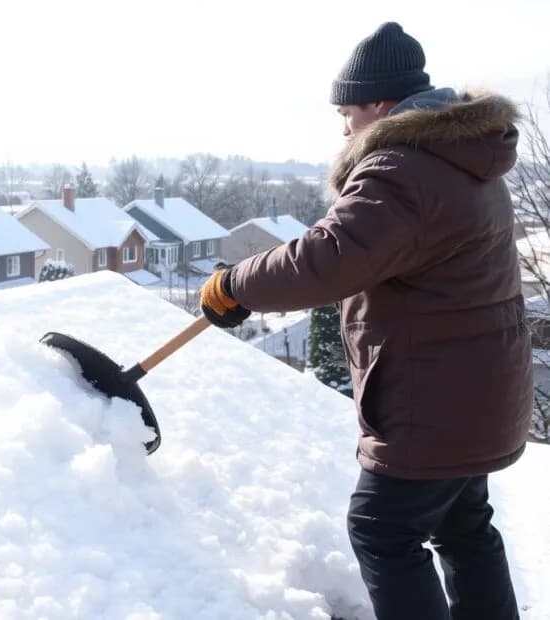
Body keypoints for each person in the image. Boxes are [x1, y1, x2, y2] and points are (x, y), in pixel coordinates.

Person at [200, 22, 532, 620]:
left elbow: (328, 259)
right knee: (464, 527)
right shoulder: (464, 159)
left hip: (431, 397)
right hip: (478, 390)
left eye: (347, 112)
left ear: (379, 105)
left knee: (381, 529)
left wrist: (234, 284)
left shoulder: (403, 169)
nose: (344, 127)